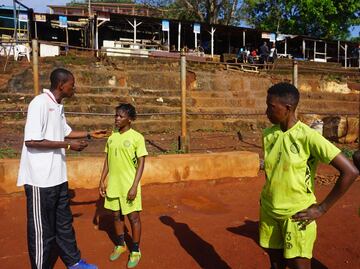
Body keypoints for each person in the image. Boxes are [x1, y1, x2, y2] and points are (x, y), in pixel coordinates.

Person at [260, 82, 358, 269]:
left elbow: (350, 171)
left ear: (288, 108)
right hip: (269, 211)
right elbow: (274, 172)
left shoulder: (308, 137)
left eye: (271, 107)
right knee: (275, 265)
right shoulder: (268, 135)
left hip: (297, 216)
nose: (266, 111)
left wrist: (322, 208)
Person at [17, 68, 106, 269]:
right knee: (42, 231)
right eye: (72, 85)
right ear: (61, 85)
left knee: (64, 224)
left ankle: (73, 262)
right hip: (40, 181)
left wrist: (91, 134)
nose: (74, 88)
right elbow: (31, 141)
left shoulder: (58, 105)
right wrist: (67, 145)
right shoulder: (39, 103)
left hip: (58, 178)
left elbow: (66, 132)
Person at [99, 103, 148, 268]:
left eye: (120, 116)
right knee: (116, 216)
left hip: (129, 185)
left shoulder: (137, 138)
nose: (117, 119)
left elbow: (141, 163)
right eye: (116, 115)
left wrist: (134, 186)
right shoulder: (112, 138)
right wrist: (102, 180)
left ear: (130, 119)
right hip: (113, 185)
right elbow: (107, 160)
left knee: (133, 218)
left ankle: (135, 250)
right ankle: (121, 245)